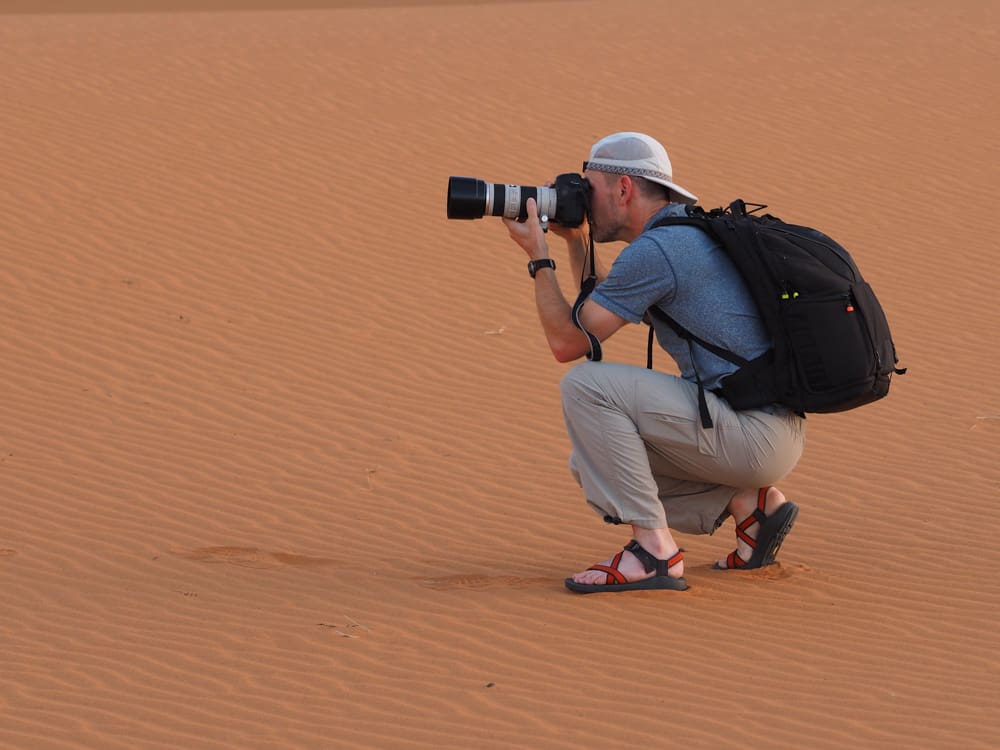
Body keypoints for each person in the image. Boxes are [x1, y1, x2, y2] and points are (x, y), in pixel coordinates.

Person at [502, 132, 805, 593]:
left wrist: (537, 257)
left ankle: (653, 553)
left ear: (623, 189)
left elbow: (568, 341)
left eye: (589, 189)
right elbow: (606, 304)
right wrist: (577, 241)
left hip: (751, 434)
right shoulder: (682, 234)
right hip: (767, 431)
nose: (581, 199)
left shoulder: (658, 251)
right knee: (592, 462)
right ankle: (750, 507)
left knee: (586, 385)